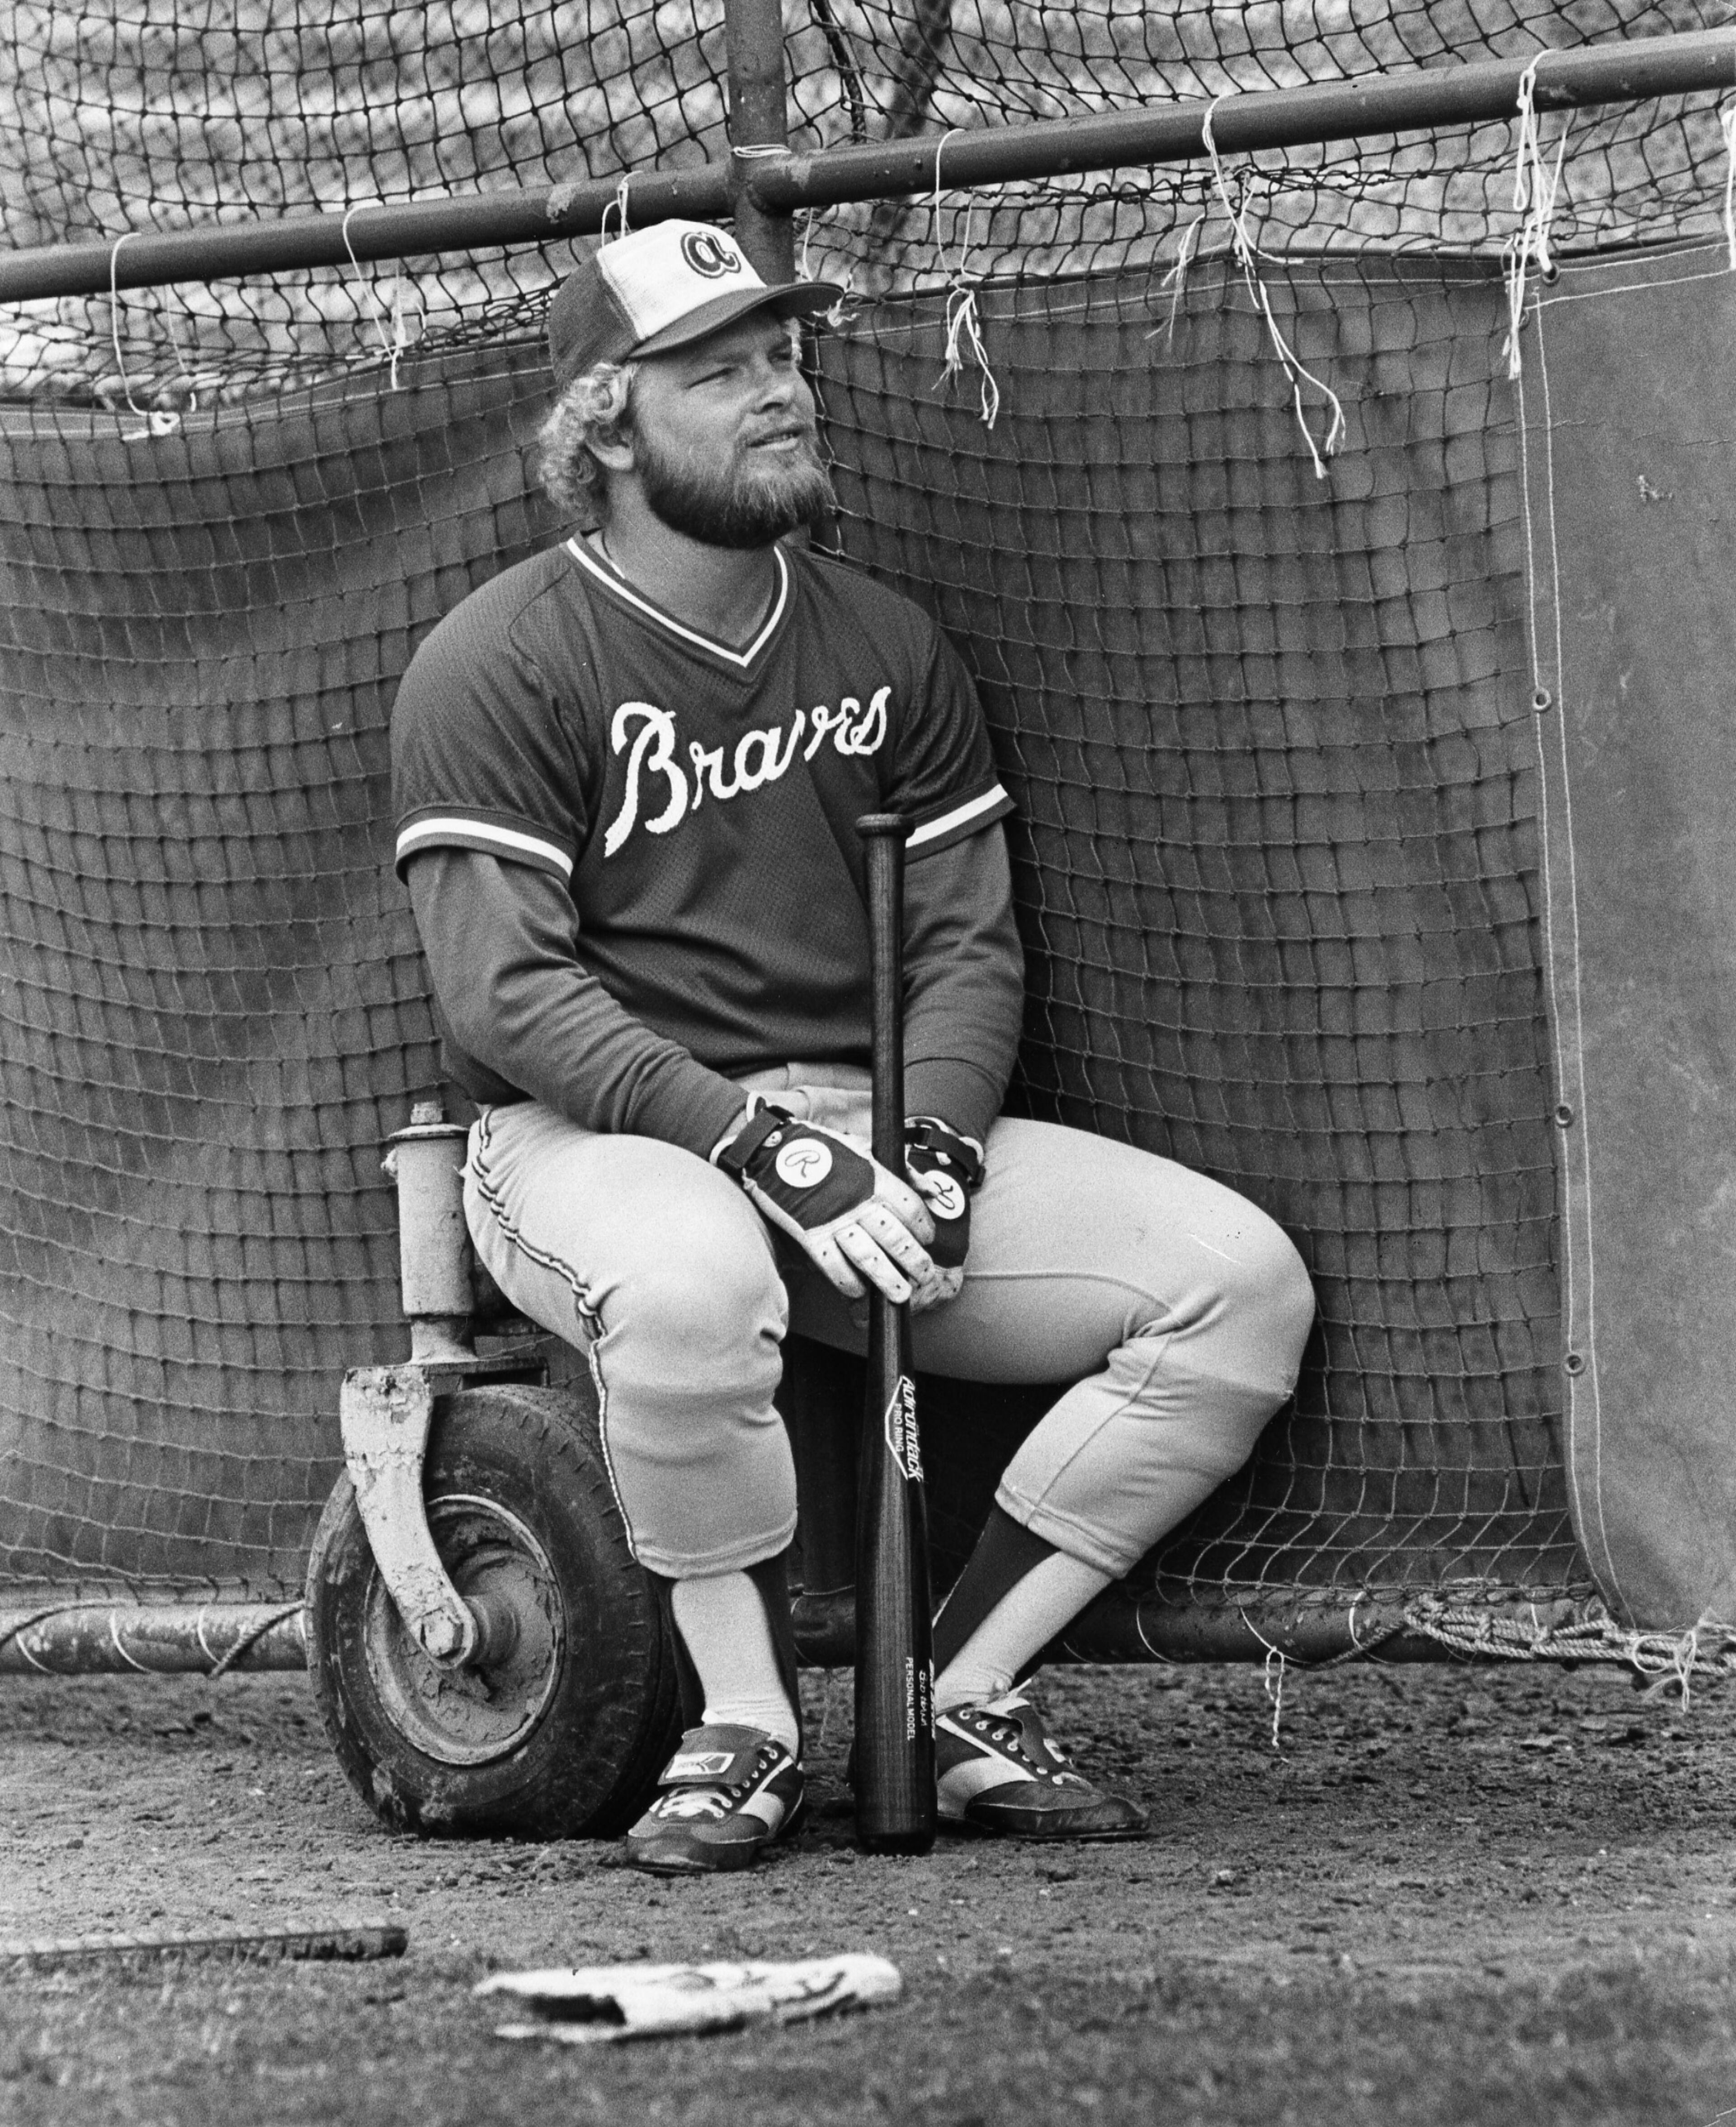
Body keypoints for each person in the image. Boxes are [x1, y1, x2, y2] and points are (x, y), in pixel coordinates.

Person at [390, 218, 1315, 1877]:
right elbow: (507, 998)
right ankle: (745, 1722)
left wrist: (933, 1143)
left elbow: (965, 943)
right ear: (608, 427)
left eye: (782, 356)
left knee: (1235, 1288)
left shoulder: (883, 640)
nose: (780, 391)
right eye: (719, 371)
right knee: (687, 1285)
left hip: (861, 1126)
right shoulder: (499, 661)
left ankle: (958, 1694)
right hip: (592, 1139)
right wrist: (756, 1144)